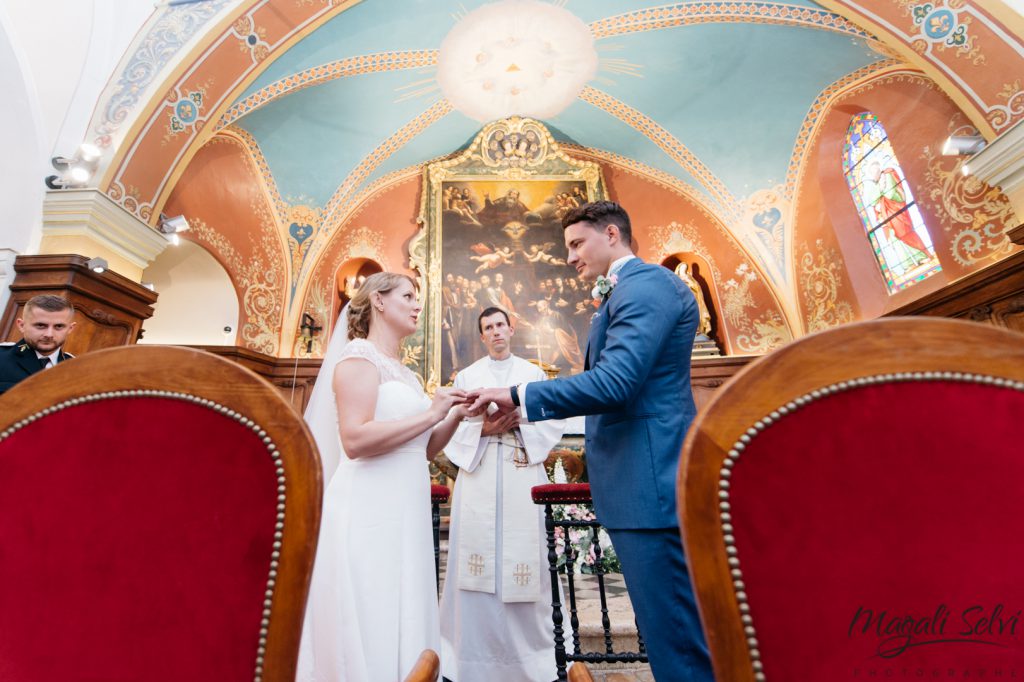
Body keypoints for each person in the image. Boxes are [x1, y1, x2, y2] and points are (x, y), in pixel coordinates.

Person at [466, 201, 714, 682]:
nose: (570, 257)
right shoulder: (627, 291)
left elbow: (615, 382)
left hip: (651, 480)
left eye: (577, 244)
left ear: (613, 234)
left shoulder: (645, 287)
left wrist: (518, 393)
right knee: (666, 631)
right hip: (641, 481)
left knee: (676, 636)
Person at [297, 272, 471, 682]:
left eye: (417, 298)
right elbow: (355, 439)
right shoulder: (358, 356)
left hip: (404, 506)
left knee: (402, 599)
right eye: (408, 296)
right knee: (373, 602)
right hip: (369, 506)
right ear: (377, 300)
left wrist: (454, 416)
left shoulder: (405, 373)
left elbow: (422, 450)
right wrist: (431, 412)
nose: (417, 305)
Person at [440, 307, 565, 682]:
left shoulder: (533, 375)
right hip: (478, 472)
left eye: (500, 325)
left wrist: (519, 423)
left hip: (521, 468)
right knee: (474, 563)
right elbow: (453, 427)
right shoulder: (468, 376)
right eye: (488, 328)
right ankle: (471, 657)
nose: (495, 332)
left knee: (525, 557)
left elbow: (553, 417)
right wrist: (485, 430)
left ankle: (532, 656)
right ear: (482, 336)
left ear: (511, 328)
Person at [0, 294, 76, 395]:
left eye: (59, 326)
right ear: (21, 325)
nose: (49, 334)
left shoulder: (75, 368)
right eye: (40, 325)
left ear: (70, 329)